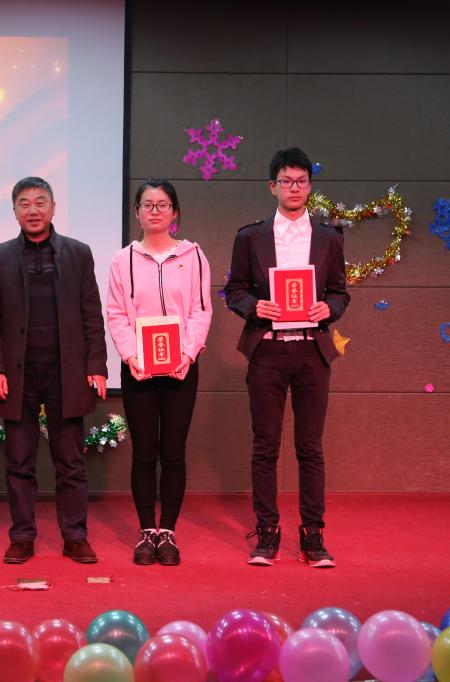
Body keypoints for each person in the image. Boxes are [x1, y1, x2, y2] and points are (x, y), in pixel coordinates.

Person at [223, 147, 350, 568]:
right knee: (265, 446)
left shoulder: (329, 237)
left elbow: (340, 292)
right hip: (268, 350)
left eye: (301, 181)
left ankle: (313, 535)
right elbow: (235, 290)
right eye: (286, 181)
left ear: (310, 186)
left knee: (310, 447)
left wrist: (328, 308)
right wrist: (253, 306)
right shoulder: (250, 236)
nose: (294, 188)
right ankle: (267, 532)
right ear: (272, 186)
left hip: (312, 351)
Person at [0, 176, 108, 564]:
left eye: (40, 202)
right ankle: (22, 536)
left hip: (65, 373)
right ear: (14, 211)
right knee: (19, 462)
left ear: (53, 208)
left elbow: (91, 314)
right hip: (17, 375)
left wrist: (97, 366)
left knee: (70, 462)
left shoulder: (78, 253)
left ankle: (75, 536)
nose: (33, 210)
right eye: (24, 204)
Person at [106, 180, 211, 566]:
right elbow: (116, 314)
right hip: (139, 369)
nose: (155, 211)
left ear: (174, 212)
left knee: (174, 452)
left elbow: (201, 310)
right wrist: (131, 355)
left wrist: (187, 353)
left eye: (162, 204)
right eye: (147, 205)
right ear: (137, 212)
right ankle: (146, 530)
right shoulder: (123, 260)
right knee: (144, 452)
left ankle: (168, 531)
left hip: (182, 367)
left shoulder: (193, 255)